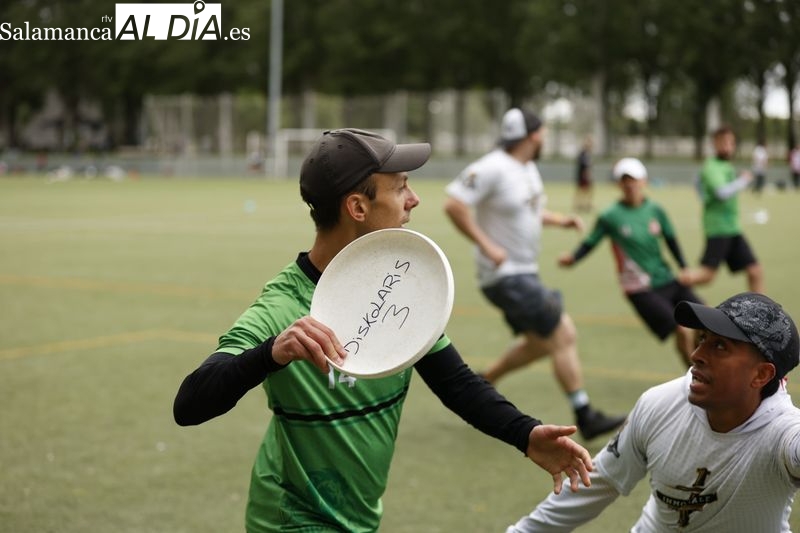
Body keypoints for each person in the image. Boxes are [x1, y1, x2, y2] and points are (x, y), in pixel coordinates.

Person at [173, 128, 594, 533]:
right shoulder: (282, 307)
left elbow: (456, 382)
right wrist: (270, 353)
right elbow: (189, 404)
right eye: (400, 188)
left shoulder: (396, 282)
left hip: (359, 515)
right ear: (357, 207)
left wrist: (525, 434)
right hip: (290, 517)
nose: (413, 200)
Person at [506, 292, 800, 533]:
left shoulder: (783, 434)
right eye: (702, 340)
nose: (697, 355)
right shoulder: (661, 403)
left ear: (761, 375)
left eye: (720, 346)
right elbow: (598, 481)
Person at [443, 108, 626, 441]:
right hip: (506, 276)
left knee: (540, 343)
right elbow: (454, 204)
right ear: (533, 136)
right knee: (563, 332)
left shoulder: (527, 169)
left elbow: (530, 211)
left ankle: (484, 381)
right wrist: (486, 245)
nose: (543, 138)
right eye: (541, 132)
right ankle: (585, 414)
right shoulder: (492, 166)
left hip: (523, 273)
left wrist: (561, 220)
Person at [558, 157, 703, 367]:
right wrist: (573, 259)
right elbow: (590, 243)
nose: (630, 185)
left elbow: (671, 240)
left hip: (666, 278)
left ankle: (708, 374)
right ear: (619, 184)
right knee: (680, 330)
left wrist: (684, 267)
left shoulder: (656, 210)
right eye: (624, 180)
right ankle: (695, 377)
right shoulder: (610, 216)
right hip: (639, 288)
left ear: (643, 181)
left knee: (705, 321)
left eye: (634, 179)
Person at [681, 125, 764, 293]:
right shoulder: (712, 165)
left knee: (755, 271)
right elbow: (722, 193)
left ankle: (761, 315)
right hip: (719, 228)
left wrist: (702, 195)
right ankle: (673, 286)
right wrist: (743, 180)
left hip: (732, 227)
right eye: (724, 142)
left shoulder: (724, 165)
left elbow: (697, 182)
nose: (728, 146)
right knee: (707, 275)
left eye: (731, 142)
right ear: (715, 143)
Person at [573, 136, 593, 212]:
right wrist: (585, 175)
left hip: (586, 176)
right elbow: (583, 165)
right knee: (580, 191)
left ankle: (587, 204)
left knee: (588, 191)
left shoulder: (588, 154)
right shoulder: (583, 154)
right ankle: (579, 204)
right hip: (582, 176)